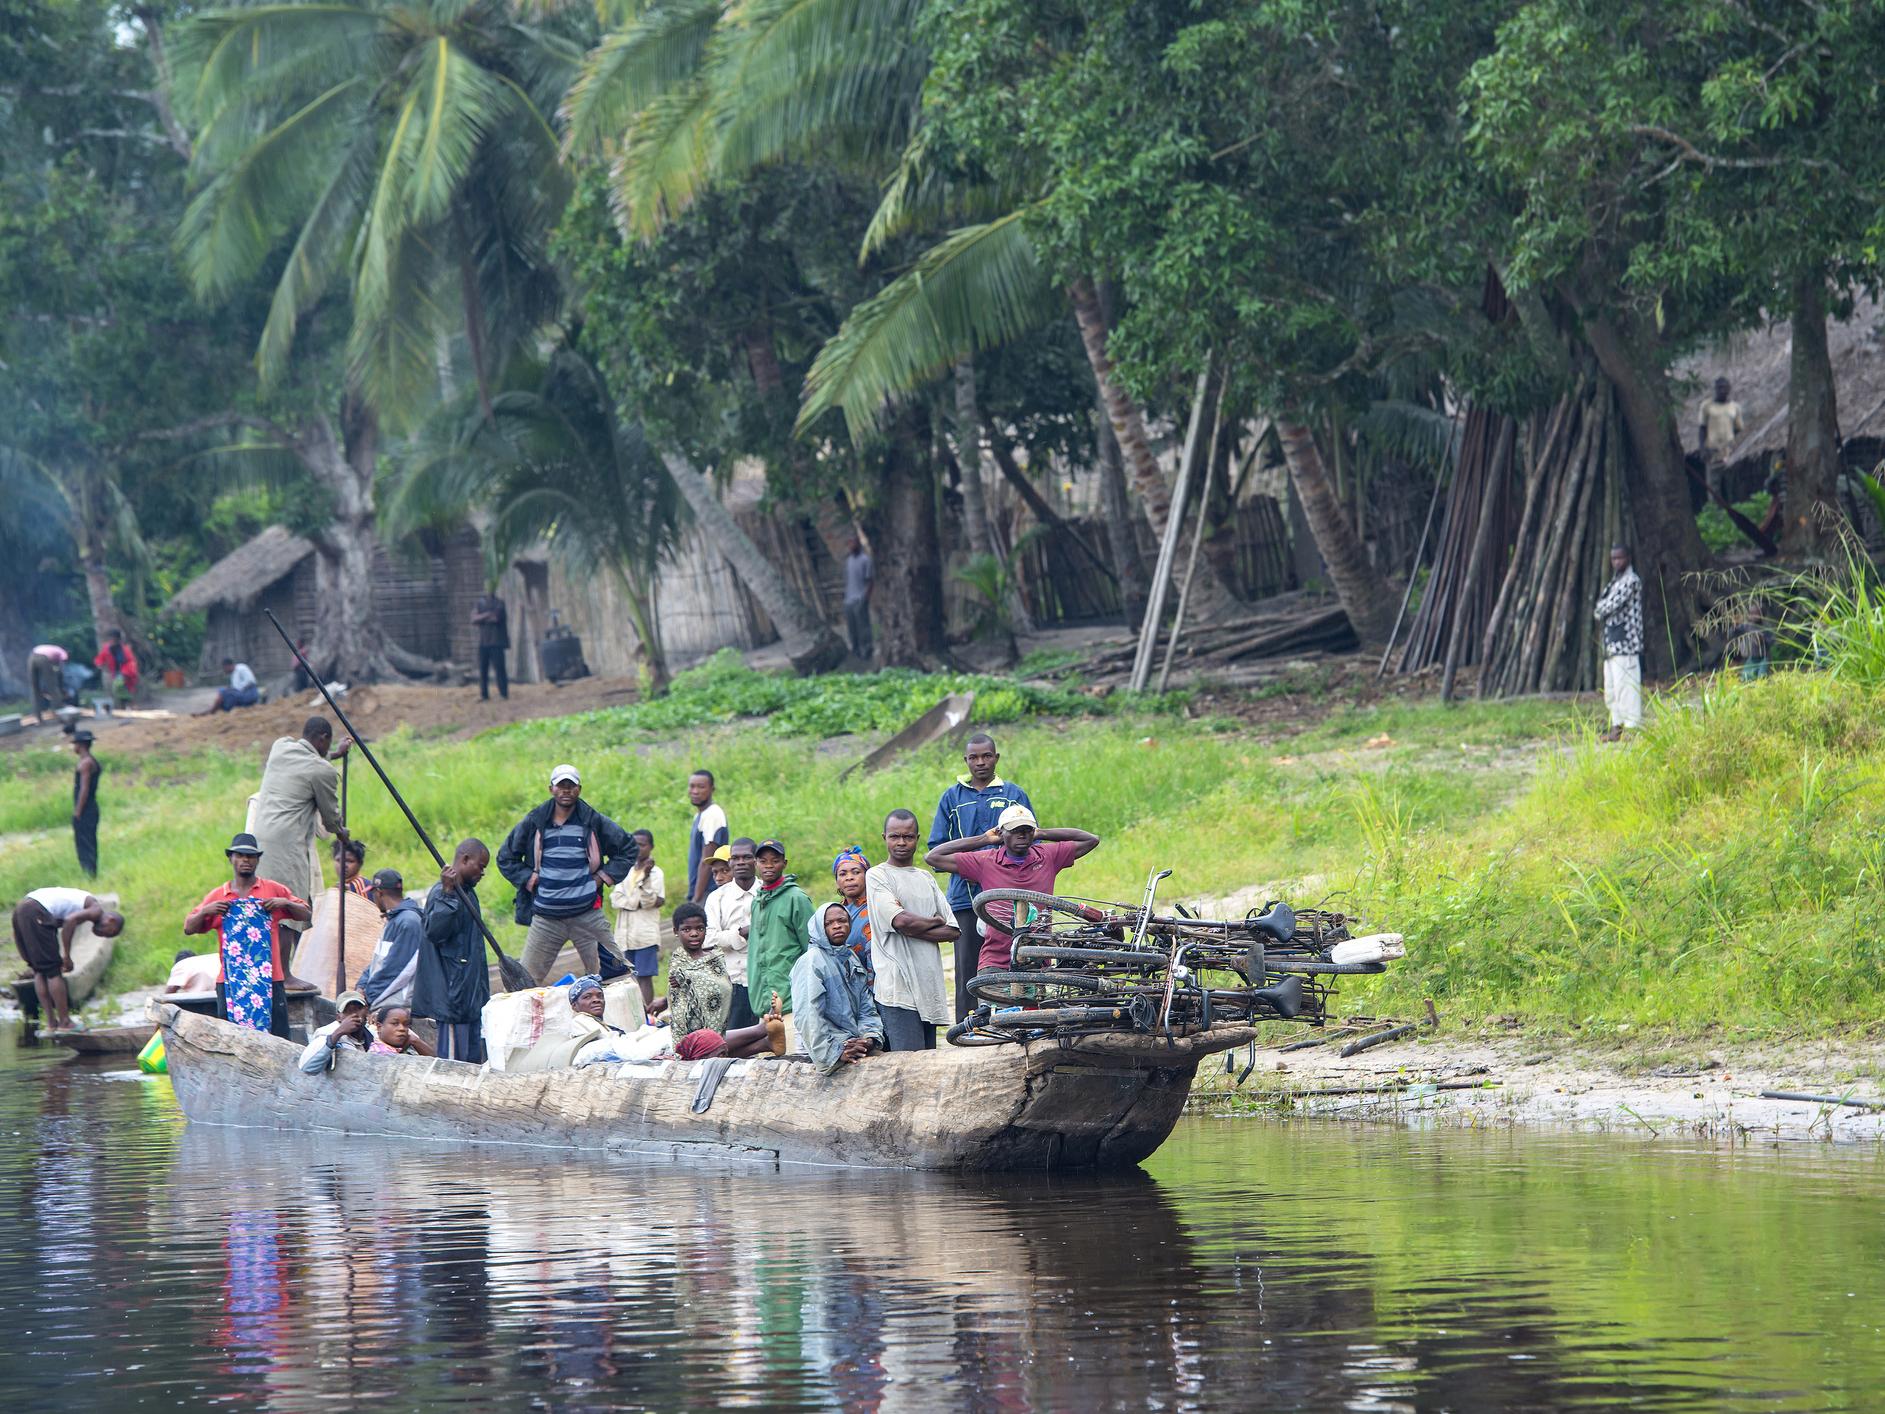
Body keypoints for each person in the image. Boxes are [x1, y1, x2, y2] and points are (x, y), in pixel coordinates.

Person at [496, 763, 637, 984]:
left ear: (579, 789)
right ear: (551, 789)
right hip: (546, 919)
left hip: (587, 914)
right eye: (560, 785)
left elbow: (628, 848)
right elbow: (505, 857)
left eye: (571, 786)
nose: (566, 790)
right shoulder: (536, 821)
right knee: (525, 984)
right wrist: (529, 878)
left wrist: (601, 877)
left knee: (615, 978)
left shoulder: (592, 820)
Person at [926, 806, 1100, 980]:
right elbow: (933, 857)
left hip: (1037, 959)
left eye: (1027, 830)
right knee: (992, 1006)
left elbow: (1091, 840)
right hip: (996, 959)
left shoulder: (1048, 856)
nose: (1022, 835)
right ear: (1001, 833)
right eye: (1015, 830)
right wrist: (984, 839)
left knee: (1037, 1007)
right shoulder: (986, 860)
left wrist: (1042, 833)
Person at [929, 733, 1033, 1018]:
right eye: (973, 757)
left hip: (1010, 898)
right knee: (968, 966)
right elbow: (936, 850)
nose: (980, 762)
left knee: (1014, 959)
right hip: (965, 897)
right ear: (966, 760)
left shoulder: (1014, 795)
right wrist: (970, 865)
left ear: (996, 758)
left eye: (986, 756)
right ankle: (969, 1027)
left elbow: (1031, 841)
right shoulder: (952, 797)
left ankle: (1017, 1022)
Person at [250, 716, 351, 990]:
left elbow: (310, 761)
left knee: (267, 905)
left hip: (258, 840)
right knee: (288, 904)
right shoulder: (323, 772)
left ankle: (271, 969)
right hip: (287, 844)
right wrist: (343, 834)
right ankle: (284, 975)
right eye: (327, 743)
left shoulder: (280, 747)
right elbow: (331, 819)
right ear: (323, 739)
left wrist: (333, 755)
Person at [183, 833, 311, 1038]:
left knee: (278, 1038)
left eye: (250, 856)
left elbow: (305, 913)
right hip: (230, 982)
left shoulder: (273, 889)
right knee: (232, 1039)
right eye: (240, 855)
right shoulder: (219, 896)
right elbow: (189, 927)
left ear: (258, 859)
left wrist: (284, 903)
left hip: (270, 979)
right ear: (231, 858)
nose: (245, 860)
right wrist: (208, 910)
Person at [865, 809, 957, 1052]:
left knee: (926, 1063)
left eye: (908, 837)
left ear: (918, 838)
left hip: (928, 986)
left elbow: (953, 931)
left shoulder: (925, 878)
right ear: (884, 837)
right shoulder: (877, 875)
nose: (901, 842)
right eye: (895, 836)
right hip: (898, 989)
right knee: (906, 1065)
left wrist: (915, 927)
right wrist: (933, 922)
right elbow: (901, 922)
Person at [415, 839, 492, 1063]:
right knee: (453, 1065)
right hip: (453, 999)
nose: (482, 873)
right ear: (465, 860)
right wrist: (449, 894)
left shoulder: (469, 892)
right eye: (481, 866)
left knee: (474, 1062)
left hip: (471, 998)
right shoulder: (442, 893)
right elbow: (434, 932)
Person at [10, 887, 124, 1030]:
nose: (103, 936)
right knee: (53, 971)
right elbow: (69, 921)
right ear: (111, 920)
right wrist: (67, 957)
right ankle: (65, 1022)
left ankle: (52, 1024)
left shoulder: (84, 907)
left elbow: (61, 921)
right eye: (109, 932)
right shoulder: (96, 910)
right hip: (36, 910)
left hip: (23, 908)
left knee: (39, 970)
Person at [791, 903, 885, 1074]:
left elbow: (867, 1007)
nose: (837, 926)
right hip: (828, 1048)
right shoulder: (812, 961)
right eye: (829, 923)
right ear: (819, 927)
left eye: (842, 921)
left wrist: (868, 1039)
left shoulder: (850, 958)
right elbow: (809, 1016)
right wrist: (835, 1052)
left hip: (854, 1043)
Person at [745, 839, 814, 1046]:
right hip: (763, 1006)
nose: (768, 866)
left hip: (791, 1004)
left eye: (774, 861)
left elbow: (812, 949)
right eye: (763, 861)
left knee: (793, 1063)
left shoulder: (797, 898)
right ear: (755, 864)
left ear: (784, 863)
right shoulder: (758, 901)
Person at [704, 836, 760, 1028]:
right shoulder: (716, 898)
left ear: (756, 860)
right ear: (731, 862)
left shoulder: (766, 892)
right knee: (734, 1040)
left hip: (763, 981)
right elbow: (708, 937)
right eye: (736, 858)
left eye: (747, 857)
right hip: (730, 982)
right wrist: (742, 933)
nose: (741, 862)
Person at [609, 828, 667, 1011]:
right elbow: (614, 899)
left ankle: (648, 1012)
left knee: (644, 976)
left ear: (651, 847)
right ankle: (634, 1012)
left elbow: (650, 901)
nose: (638, 848)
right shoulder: (625, 869)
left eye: (642, 845)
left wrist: (646, 877)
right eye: (634, 844)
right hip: (624, 934)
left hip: (644, 933)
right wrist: (636, 901)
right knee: (627, 977)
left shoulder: (656, 873)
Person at [355, 868, 425, 1011]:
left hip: (396, 1005)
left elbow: (397, 970)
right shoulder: (394, 919)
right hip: (384, 1001)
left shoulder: (409, 922)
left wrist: (369, 996)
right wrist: (361, 986)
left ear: (379, 893)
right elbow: (377, 962)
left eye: (373, 893)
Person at [1594, 545, 1644, 743]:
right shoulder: (1615, 582)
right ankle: (1617, 728)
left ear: (1628, 558)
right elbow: (1600, 609)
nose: (1616, 562)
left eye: (1620, 558)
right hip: (1612, 646)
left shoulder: (1631, 581)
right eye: (1613, 559)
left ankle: (1632, 730)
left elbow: (1605, 607)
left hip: (1627, 645)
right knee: (1612, 690)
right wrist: (1601, 608)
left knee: (1627, 689)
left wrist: (1601, 608)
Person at [661, 902, 731, 1036]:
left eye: (699, 928)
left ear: (706, 929)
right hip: (689, 1033)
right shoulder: (679, 961)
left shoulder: (715, 958)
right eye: (686, 929)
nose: (694, 934)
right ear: (676, 931)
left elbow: (725, 986)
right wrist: (687, 978)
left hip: (720, 1025)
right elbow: (679, 996)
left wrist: (689, 978)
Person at [297, 989, 374, 1074]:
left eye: (358, 1009)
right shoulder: (326, 1033)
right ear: (338, 1017)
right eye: (347, 1011)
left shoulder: (371, 1033)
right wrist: (339, 1032)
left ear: (366, 1011)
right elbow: (307, 1068)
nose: (354, 1015)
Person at [831, 846, 875, 983]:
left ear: (867, 876)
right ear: (837, 881)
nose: (849, 878)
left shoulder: (878, 906)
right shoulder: (834, 915)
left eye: (856, 872)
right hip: (849, 985)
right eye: (843, 874)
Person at [686, 769, 729, 903]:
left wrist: (696, 898)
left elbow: (706, 861)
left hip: (709, 891)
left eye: (701, 787)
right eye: (692, 786)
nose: (695, 791)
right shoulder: (700, 815)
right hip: (702, 890)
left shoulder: (712, 815)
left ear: (712, 789)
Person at [1699, 376, 1744, 495]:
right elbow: (1702, 428)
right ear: (1715, 389)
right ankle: (1714, 512)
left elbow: (1738, 428)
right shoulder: (1707, 406)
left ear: (1729, 389)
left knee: (1730, 485)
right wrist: (1703, 448)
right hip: (1712, 451)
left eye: (1725, 388)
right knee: (1713, 487)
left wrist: (1729, 438)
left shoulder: (1735, 407)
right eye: (1719, 388)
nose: (1722, 390)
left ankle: (1731, 510)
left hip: (1729, 451)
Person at [71, 728, 101, 879]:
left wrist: (78, 812)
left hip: (86, 810)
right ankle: (90, 874)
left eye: (75, 743)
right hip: (89, 809)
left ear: (81, 745)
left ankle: (90, 874)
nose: (73, 747)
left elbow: (84, 789)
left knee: (85, 843)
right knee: (88, 841)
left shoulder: (86, 763)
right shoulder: (89, 761)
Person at [472, 588, 510, 702]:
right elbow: (474, 619)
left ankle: (503, 694)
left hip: (496, 642)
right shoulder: (479, 603)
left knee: (499, 669)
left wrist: (482, 617)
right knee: (483, 669)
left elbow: (495, 618)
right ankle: (484, 695)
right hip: (484, 642)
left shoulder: (499, 603)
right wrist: (488, 614)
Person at [842, 535, 874, 660]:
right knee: (852, 627)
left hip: (860, 598)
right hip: (849, 599)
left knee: (863, 627)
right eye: (849, 544)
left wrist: (865, 598)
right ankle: (855, 650)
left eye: (853, 543)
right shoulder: (848, 561)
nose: (851, 546)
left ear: (858, 544)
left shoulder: (866, 560)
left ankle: (867, 650)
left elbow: (870, 581)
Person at [92, 629, 138, 706]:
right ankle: (125, 701)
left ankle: (127, 700)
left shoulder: (125, 649)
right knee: (117, 688)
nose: (112, 640)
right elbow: (100, 658)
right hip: (115, 672)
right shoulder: (107, 648)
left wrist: (127, 672)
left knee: (118, 685)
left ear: (118, 639)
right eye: (111, 638)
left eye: (114, 638)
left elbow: (131, 661)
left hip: (126, 671)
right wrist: (99, 664)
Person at [26, 643, 68, 725]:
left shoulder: (53, 649)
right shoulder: (62, 652)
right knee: (53, 688)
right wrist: (61, 686)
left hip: (32, 656)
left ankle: (38, 718)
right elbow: (61, 670)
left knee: (34, 688)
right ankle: (59, 715)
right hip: (43, 658)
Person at [369, 1003, 433, 1056]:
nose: (402, 1028)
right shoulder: (380, 1054)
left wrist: (415, 1041)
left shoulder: (398, 1048)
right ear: (379, 1027)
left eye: (406, 1024)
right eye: (395, 1023)